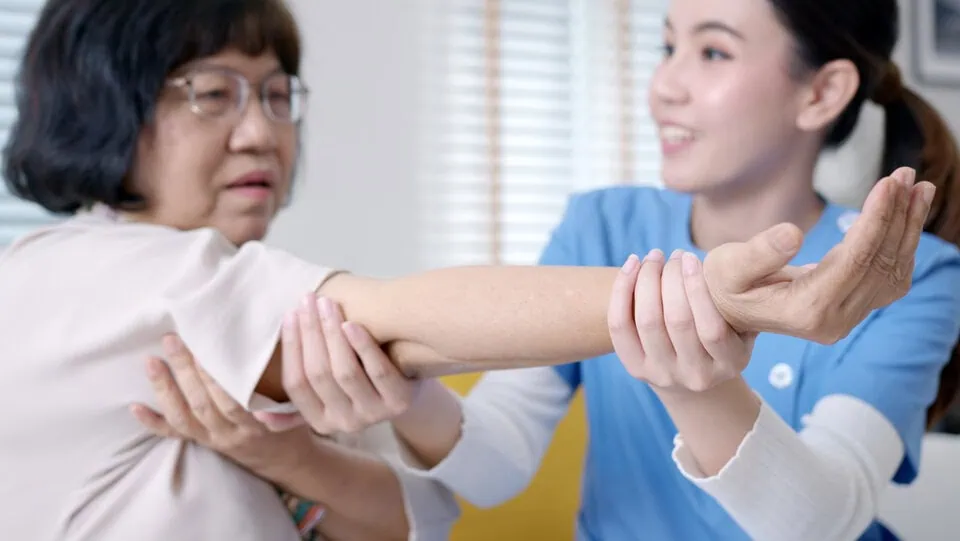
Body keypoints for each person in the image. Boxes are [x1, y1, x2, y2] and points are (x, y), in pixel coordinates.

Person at [0, 0, 933, 540]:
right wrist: (706, 302)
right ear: (103, 108)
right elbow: (452, 408)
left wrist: (293, 453)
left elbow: (423, 512)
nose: (261, 131)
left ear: (824, 90)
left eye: (280, 95)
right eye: (214, 93)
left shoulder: (916, 273)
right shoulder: (108, 278)